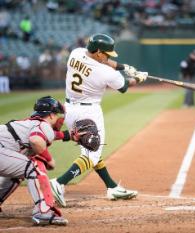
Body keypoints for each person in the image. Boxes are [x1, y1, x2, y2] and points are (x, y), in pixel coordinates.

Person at [50, 33, 148, 207]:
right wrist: (138, 78)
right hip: (89, 112)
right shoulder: (106, 73)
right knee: (91, 155)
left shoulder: (76, 53)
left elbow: (102, 60)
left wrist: (123, 66)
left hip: (70, 110)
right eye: (107, 53)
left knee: (91, 148)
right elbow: (125, 86)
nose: (109, 56)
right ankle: (59, 183)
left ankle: (112, 187)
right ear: (99, 53)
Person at [0, 96, 79, 226]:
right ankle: (43, 212)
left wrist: (68, 136)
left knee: (20, 171)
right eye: (57, 114)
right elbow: (36, 140)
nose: (60, 118)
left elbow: (50, 135)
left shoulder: (32, 122)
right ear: (51, 115)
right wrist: (49, 159)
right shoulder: (44, 125)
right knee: (33, 167)